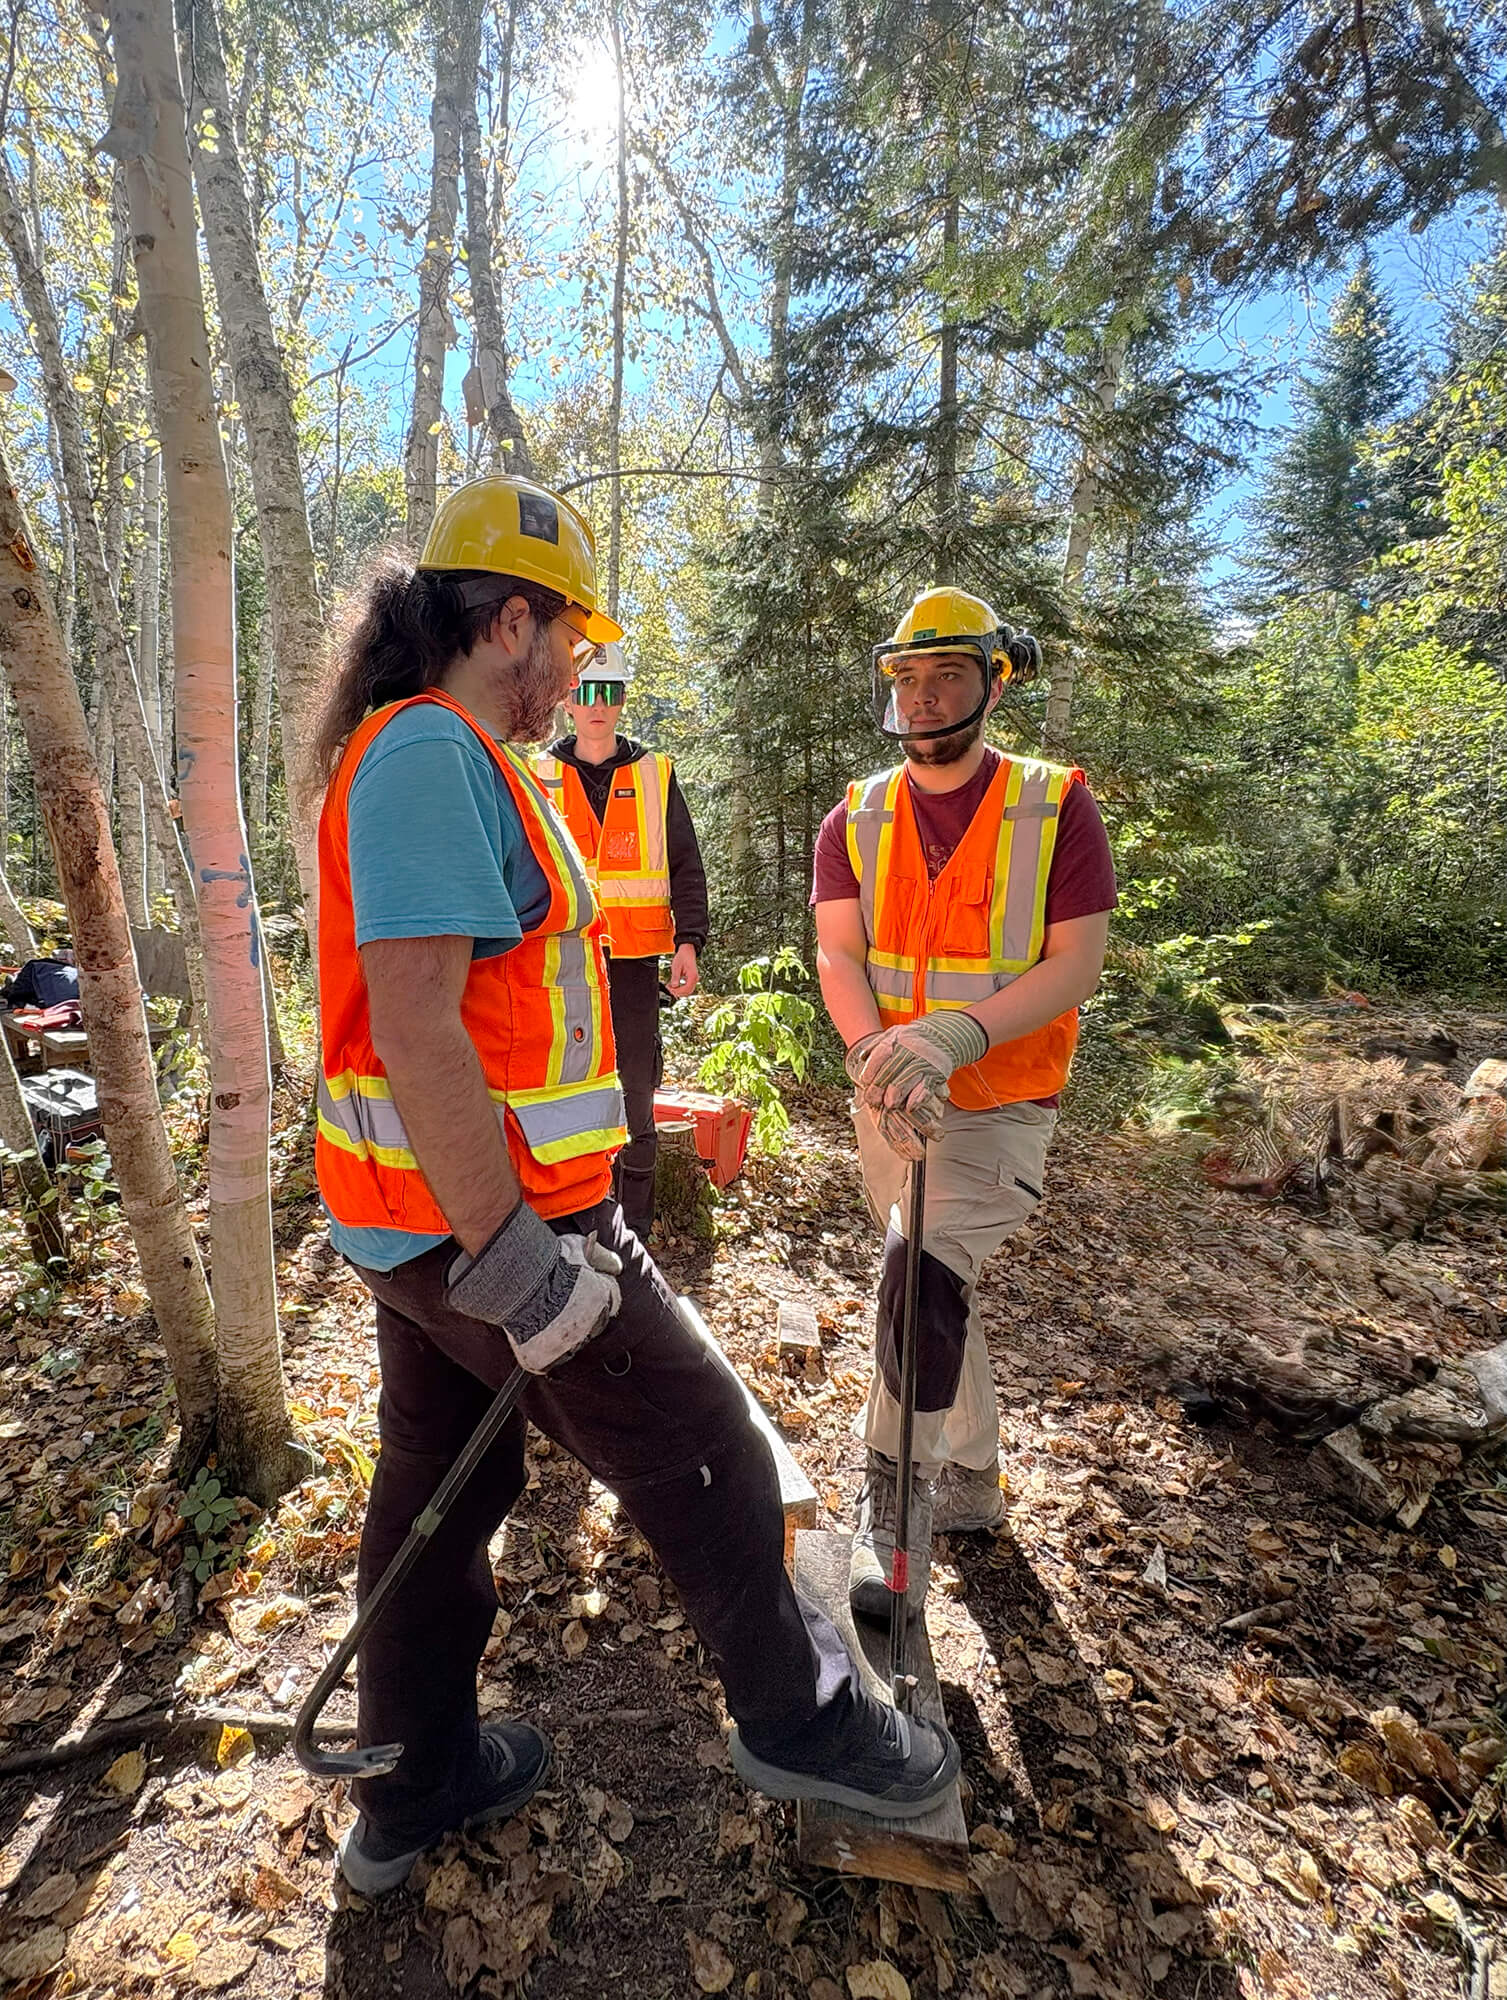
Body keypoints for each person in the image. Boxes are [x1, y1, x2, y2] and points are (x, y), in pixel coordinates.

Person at [311, 474, 958, 1896]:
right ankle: (804, 1722)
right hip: (492, 1228)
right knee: (703, 1440)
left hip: (424, 1227)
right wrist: (515, 1260)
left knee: (439, 1487)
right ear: (509, 622)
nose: (571, 674)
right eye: (564, 641)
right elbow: (415, 1022)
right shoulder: (427, 753)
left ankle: (414, 1784)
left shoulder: (457, 757)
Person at [810, 587, 1116, 1621]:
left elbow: (1076, 962)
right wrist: (873, 1052)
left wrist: (957, 1035)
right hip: (889, 1100)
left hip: (1000, 1100)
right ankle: (976, 1477)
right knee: (933, 1284)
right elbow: (838, 951)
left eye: (947, 674)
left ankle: (891, 1502)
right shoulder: (854, 816)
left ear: (994, 683)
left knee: (917, 1270)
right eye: (907, 676)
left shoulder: (1052, 805)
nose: (924, 695)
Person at [534, 645, 707, 1237]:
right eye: (585, 692)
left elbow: (684, 862)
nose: (597, 705)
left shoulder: (655, 773)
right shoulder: (539, 773)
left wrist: (689, 941)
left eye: (608, 693)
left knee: (635, 1089)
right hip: (561, 959)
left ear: (623, 699)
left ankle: (634, 1229)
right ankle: (574, 1221)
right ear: (568, 700)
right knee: (564, 1089)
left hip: (635, 961)